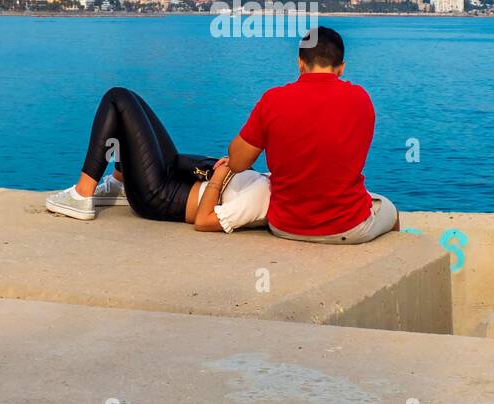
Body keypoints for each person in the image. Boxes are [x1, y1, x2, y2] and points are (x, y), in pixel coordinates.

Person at [226, 25, 398, 244]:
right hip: (348, 227)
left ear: (300, 62)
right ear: (341, 67)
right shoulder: (361, 99)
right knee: (391, 210)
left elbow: (237, 163)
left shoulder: (272, 100)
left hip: (285, 226)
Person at [44, 87, 270, 233]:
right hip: (177, 178)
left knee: (117, 99)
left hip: (159, 197)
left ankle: (82, 195)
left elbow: (204, 220)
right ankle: (119, 183)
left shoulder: (264, 197)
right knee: (132, 103)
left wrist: (220, 178)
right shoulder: (276, 184)